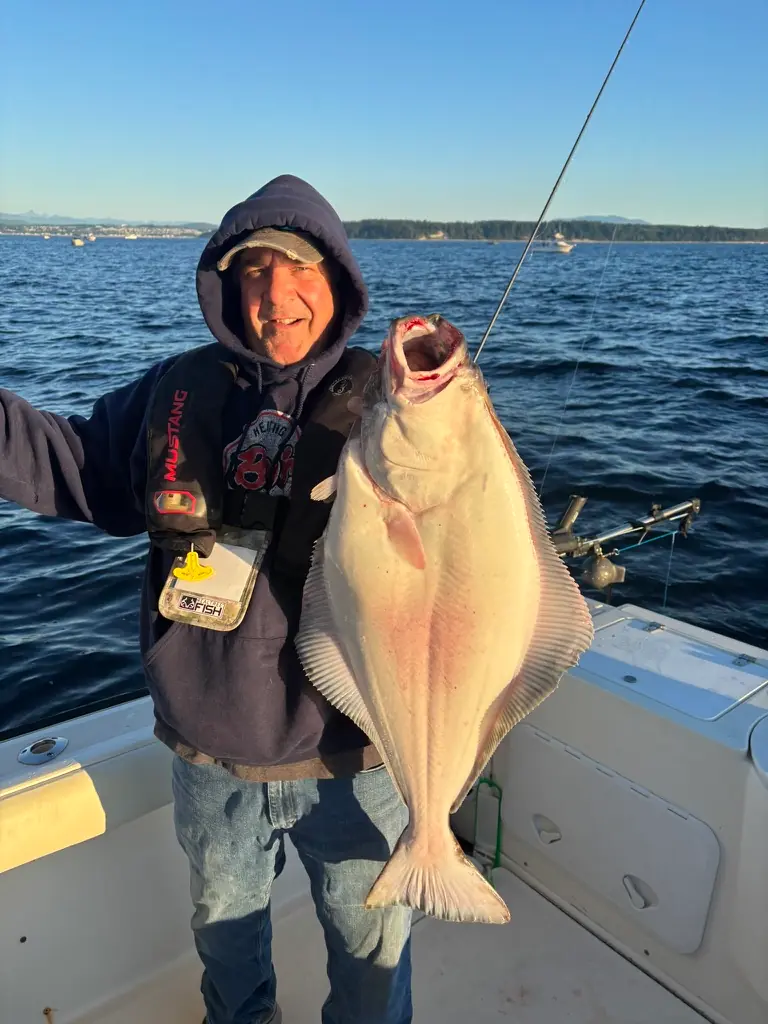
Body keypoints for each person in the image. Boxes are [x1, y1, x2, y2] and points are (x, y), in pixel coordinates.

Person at [0, 175, 413, 1024]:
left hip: (357, 755)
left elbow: (468, 532)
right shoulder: (174, 391)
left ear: (336, 280)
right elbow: (71, 465)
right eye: (253, 273)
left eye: (298, 268)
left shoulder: (394, 399)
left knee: (373, 964)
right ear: (227, 290)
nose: (276, 295)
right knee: (227, 954)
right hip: (210, 750)